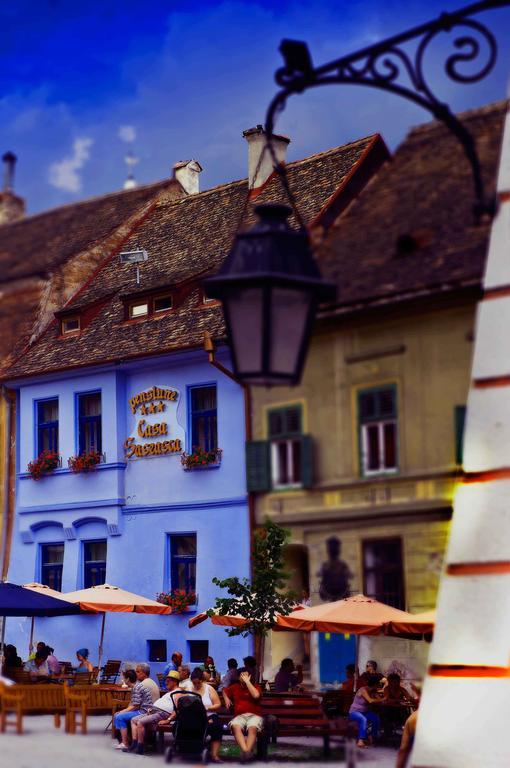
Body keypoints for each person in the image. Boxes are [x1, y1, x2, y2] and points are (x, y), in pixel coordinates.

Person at [129, 671, 182, 755]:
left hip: (162, 713)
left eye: (168, 680)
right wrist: (152, 709)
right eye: (166, 680)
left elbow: (177, 709)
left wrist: (168, 720)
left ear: (175, 681)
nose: (166, 682)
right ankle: (134, 744)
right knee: (133, 720)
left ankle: (140, 747)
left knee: (140, 722)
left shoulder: (178, 692)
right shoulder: (170, 692)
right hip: (154, 711)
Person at [113, 663, 160, 751]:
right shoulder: (150, 682)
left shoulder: (141, 685)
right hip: (150, 710)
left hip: (146, 712)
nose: (136, 674)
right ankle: (128, 742)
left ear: (145, 673)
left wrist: (123, 711)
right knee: (121, 714)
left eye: (138, 672)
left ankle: (125, 742)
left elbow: (135, 705)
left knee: (119, 716)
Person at [182, 667, 223, 762]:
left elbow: (218, 704)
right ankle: (189, 750)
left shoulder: (209, 688)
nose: (196, 685)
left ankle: (214, 755)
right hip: (193, 716)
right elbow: (183, 704)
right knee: (179, 725)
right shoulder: (188, 689)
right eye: (194, 683)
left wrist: (206, 708)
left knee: (216, 726)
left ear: (202, 680)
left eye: (198, 683)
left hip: (208, 714)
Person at [223, 667, 263, 762]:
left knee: (252, 727)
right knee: (235, 726)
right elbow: (224, 690)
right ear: (238, 677)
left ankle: (246, 753)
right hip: (239, 716)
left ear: (250, 676)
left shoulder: (256, 686)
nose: (244, 677)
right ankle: (247, 752)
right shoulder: (235, 687)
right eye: (242, 675)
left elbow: (256, 696)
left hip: (254, 715)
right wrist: (226, 698)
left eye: (246, 675)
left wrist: (248, 682)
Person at [348, 674, 382, 748]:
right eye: (378, 684)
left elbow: (380, 701)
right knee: (363, 719)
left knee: (376, 718)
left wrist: (380, 698)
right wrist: (382, 699)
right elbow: (370, 701)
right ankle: (361, 740)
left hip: (365, 712)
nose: (379, 685)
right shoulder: (363, 690)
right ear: (375, 684)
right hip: (354, 712)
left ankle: (372, 737)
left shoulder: (373, 691)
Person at [317, 536, 353, 602]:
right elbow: (350, 575)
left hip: (339, 595)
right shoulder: (325, 565)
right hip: (332, 595)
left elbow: (350, 575)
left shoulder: (342, 565)